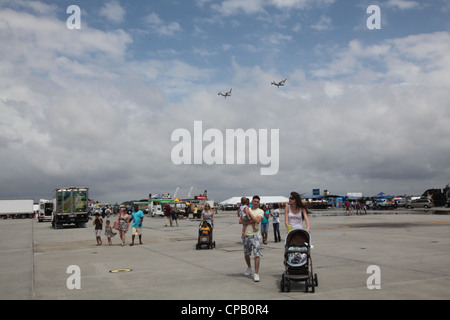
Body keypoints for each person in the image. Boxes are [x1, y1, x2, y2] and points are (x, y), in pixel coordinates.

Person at [239, 195, 264, 282]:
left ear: (259, 203)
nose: (256, 203)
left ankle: (256, 273)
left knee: (257, 254)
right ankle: (249, 267)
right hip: (246, 235)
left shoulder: (260, 211)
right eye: (255, 201)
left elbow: (258, 220)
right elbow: (240, 221)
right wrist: (251, 220)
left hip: (255, 235)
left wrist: (250, 215)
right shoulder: (246, 209)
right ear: (252, 202)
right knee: (246, 254)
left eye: (258, 202)